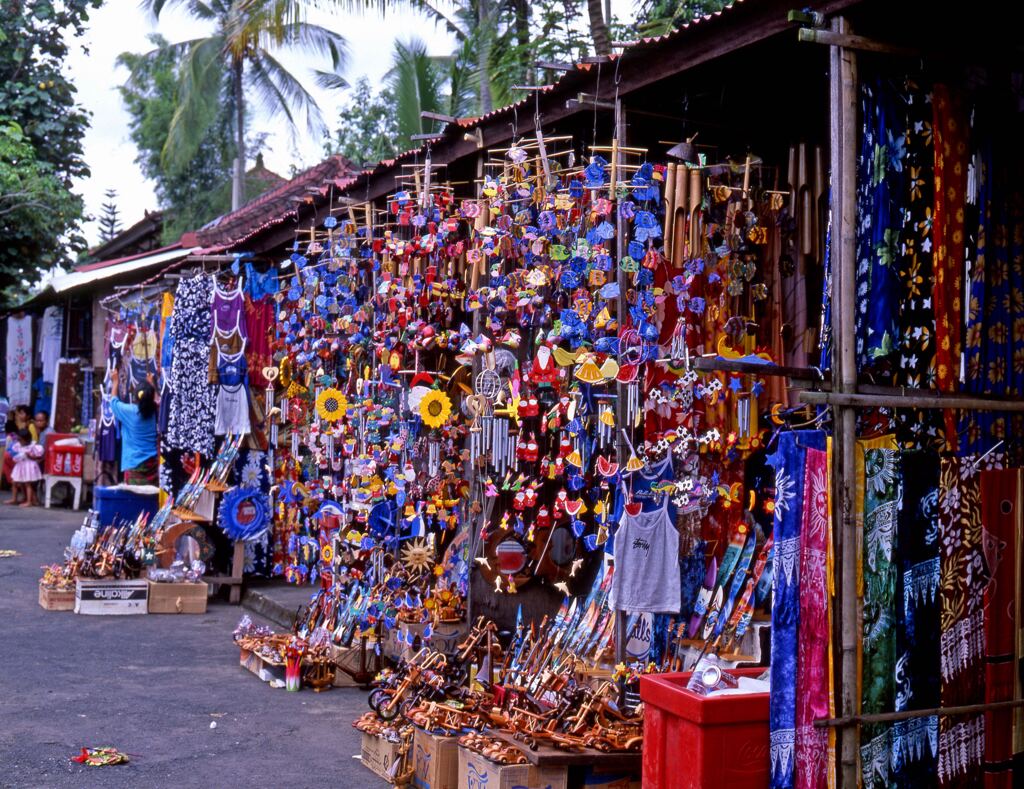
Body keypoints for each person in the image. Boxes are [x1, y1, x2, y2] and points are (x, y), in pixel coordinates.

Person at [108, 368, 158, 485]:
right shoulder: (155, 411)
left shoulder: (130, 412)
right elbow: (156, 400)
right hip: (152, 466)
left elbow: (113, 402)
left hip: (133, 465)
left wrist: (115, 382)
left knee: (133, 500)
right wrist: (151, 384)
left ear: (136, 397)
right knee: (151, 501)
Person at [7, 428, 43, 506]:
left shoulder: (32, 446)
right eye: (18, 439)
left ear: (27, 439)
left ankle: (29, 501)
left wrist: (29, 456)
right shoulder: (18, 445)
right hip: (20, 466)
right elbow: (15, 454)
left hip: (28, 466)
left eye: (21, 440)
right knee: (14, 482)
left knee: (27, 484)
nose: (19, 441)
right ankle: (14, 498)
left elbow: (37, 457)